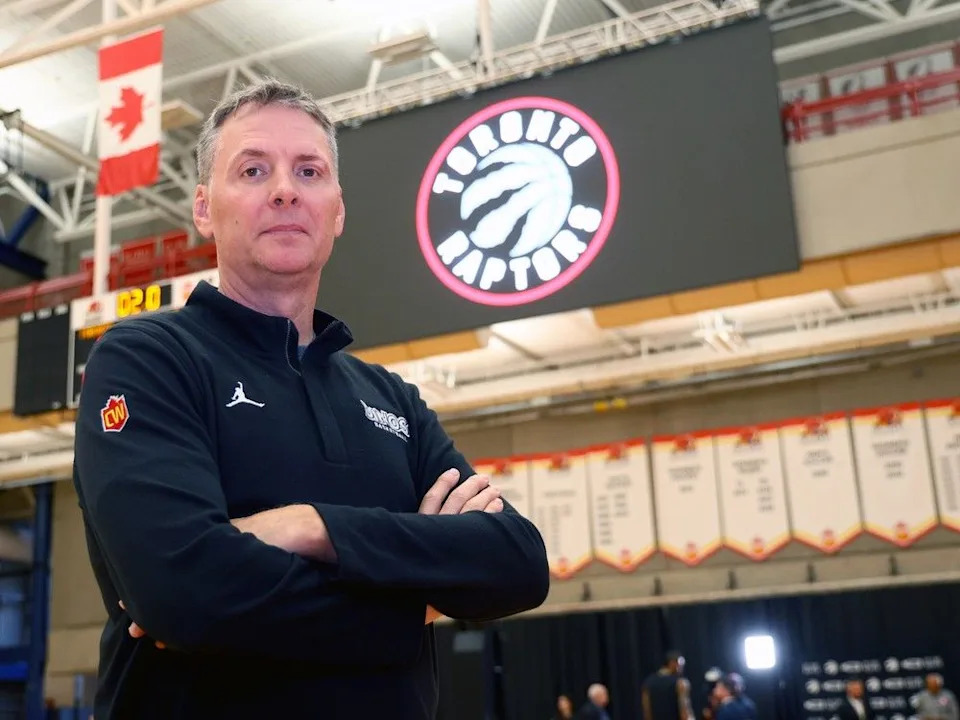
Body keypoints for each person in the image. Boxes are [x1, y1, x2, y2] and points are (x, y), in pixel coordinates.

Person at [73, 78, 550, 720]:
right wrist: (414, 600)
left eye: (309, 170)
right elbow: (183, 591)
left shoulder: (392, 401)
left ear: (337, 209)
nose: (285, 189)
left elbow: (518, 562)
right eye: (252, 169)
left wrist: (311, 527)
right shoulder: (148, 359)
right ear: (205, 208)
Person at [643, 651, 693, 720]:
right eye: (681, 664)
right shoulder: (681, 683)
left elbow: (647, 714)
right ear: (672, 663)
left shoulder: (648, 683)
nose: (682, 668)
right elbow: (685, 713)